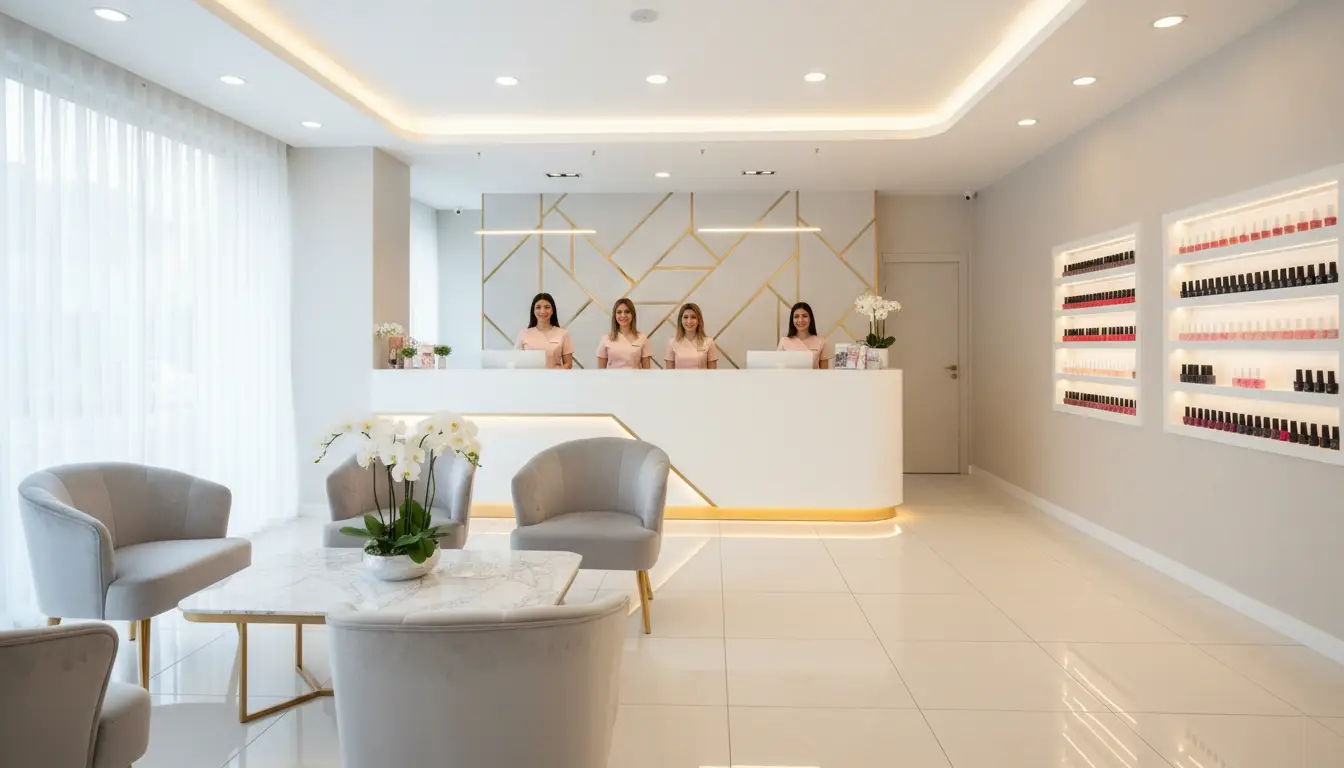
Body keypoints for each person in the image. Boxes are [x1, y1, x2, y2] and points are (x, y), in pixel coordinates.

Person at [514, 292, 574, 369]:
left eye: (547, 307)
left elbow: (568, 364)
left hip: (555, 376)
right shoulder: (523, 334)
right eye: (538, 307)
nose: (542, 311)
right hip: (530, 376)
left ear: (552, 310)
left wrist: (553, 374)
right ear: (533, 311)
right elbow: (516, 363)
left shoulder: (563, 333)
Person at [596, 298, 652, 369]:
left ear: (632, 315)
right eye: (619, 312)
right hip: (612, 376)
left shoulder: (642, 338)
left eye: (627, 312)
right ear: (615, 316)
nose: (623, 315)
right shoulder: (606, 339)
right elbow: (601, 371)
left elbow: (647, 371)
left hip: (635, 376)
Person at [664, 302, 719, 369]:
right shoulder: (672, 342)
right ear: (680, 320)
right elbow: (669, 373)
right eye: (685, 317)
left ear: (699, 320)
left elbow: (713, 373)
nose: (689, 321)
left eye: (693, 317)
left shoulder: (709, 342)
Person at [777, 301, 829, 369]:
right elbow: (778, 369)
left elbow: (824, 372)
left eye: (804, 316)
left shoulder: (821, 341)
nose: (800, 320)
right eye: (796, 316)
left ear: (810, 318)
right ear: (792, 320)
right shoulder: (784, 341)